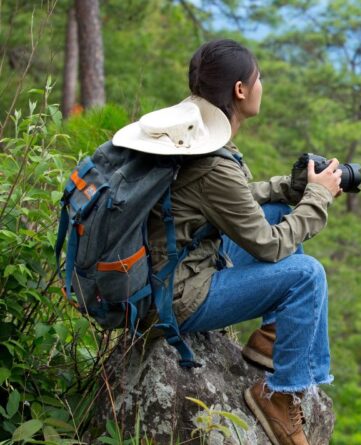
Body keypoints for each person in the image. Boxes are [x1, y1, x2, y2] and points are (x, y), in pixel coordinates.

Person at [111, 39, 340, 445]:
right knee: (307, 275)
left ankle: (271, 340)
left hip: (165, 265)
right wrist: (318, 197)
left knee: (274, 214)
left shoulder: (188, 136)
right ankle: (280, 396)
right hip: (176, 295)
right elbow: (269, 247)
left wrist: (291, 189)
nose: (261, 86)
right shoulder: (213, 160)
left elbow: (231, 200)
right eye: (259, 79)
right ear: (240, 90)